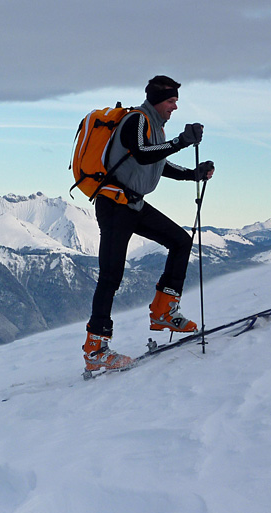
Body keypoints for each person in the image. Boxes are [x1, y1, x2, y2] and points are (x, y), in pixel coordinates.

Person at [83, 75, 215, 373]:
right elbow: (143, 154)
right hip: (115, 205)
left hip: (133, 204)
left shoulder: (155, 126)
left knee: (180, 241)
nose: (174, 107)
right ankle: (95, 348)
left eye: (175, 102)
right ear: (158, 100)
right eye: (171, 101)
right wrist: (181, 142)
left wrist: (191, 174)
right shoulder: (137, 121)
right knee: (111, 275)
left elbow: (157, 161)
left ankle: (163, 312)